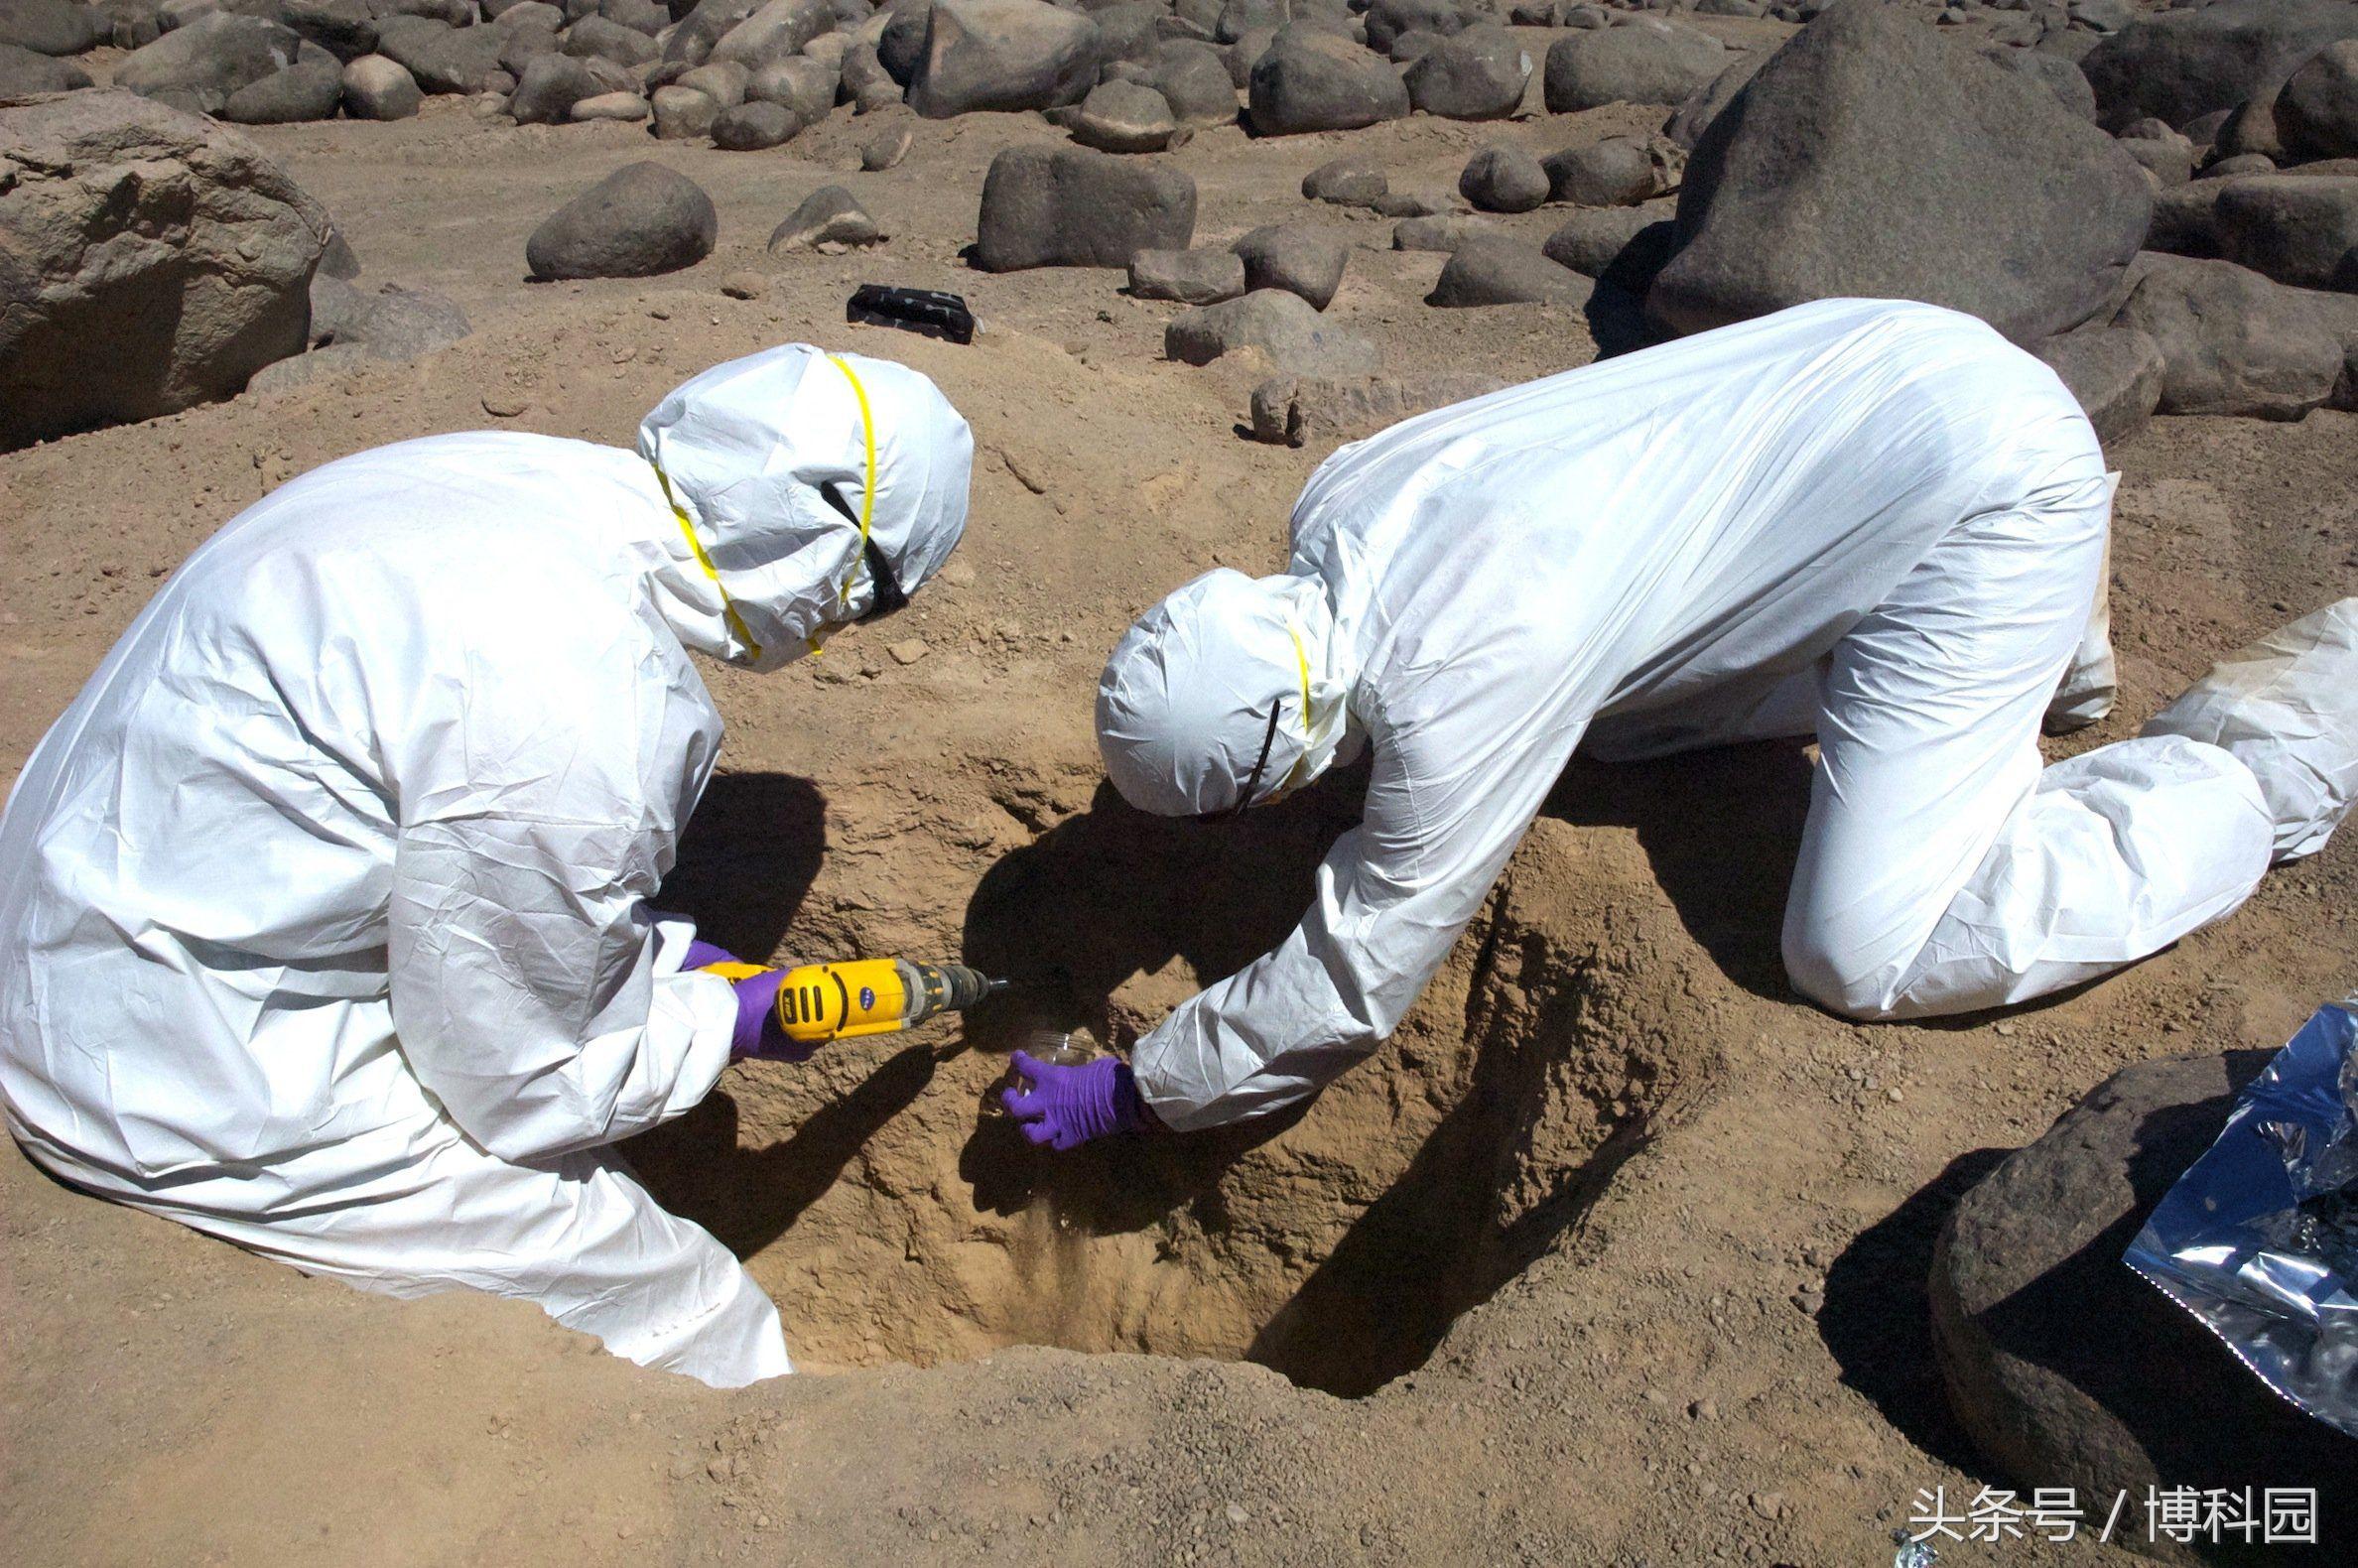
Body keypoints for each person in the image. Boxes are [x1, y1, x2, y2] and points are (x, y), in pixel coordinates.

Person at [998, 299, 2355, 1148]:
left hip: (1982, 487)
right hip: (1884, 366)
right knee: (1622, 732)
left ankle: (2256, 765)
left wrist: (1143, 1089)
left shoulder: (1471, 678)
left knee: (1862, 950)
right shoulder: (1343, 501)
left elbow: (1358, 975)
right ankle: (2049, 642)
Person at [0, 344, 975, 1385]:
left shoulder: (501, 477)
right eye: (869, 605)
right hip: (175, 1067)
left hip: (71, 897)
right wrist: (724, 1019)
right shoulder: (592, 688)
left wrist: (662, 967)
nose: (841, 632)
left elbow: (465, 841)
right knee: (688, 1306)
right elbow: (524, 1085)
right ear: (833, 568)